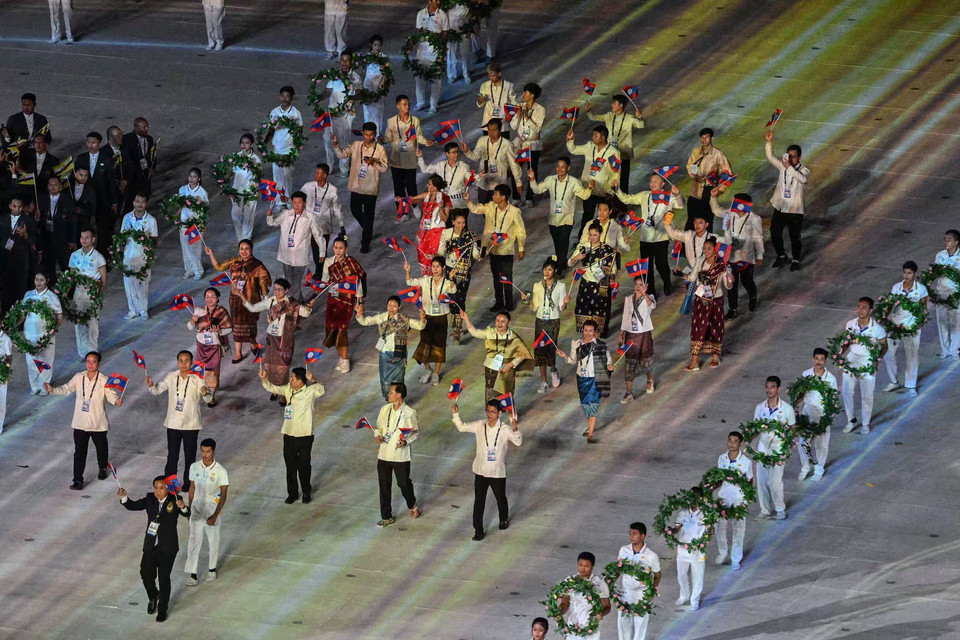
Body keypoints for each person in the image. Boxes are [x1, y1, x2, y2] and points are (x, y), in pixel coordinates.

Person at [117, 476, 189, 622]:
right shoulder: (150, 499)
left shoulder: (175, 499)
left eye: (161, 488)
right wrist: (124, 497)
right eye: (156, 487)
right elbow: (133, 505)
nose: (158, 491)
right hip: (151, 545)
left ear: (167, 489)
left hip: (167, 547)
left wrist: (183, 507)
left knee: (163, 578)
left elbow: (186, 513)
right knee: (145, 574)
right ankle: (154, 595)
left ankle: (162, 609)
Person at [46, 351, 121, 489]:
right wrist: (53, 390)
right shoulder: (79, 377)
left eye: (94, 361)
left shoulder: (104, 380)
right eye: (88, 361)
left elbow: (111, 395)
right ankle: (78, 480)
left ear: (98, 363)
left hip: (98, 423)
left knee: (101, 449)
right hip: (80, 423)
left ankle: (102, 468)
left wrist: (116, 401)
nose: (90, 364)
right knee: (79, 453)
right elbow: (67, 389)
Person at [452, 400, 521, 541]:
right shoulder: (480, 425)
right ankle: (478, 530)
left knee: (501, 498)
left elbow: (518, 442)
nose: (490, 414)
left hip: (496, 472)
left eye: (493, 412)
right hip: (480, 471)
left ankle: (503, 519)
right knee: (479, 502)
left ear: (499, 413)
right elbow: (462, 427)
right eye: (488, 411)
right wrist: (456, 414)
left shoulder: (504, 429)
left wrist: (515, 428)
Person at [238, 278, 314, 404]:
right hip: (272, 339)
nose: (277, 292)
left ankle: (283, 394)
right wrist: (242, 296)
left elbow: (305, 313)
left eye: (280, 289)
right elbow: (253, 308)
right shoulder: (271, 301)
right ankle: (274, 390)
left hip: (285, 339)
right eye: (275, 289)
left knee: (283, 368)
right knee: (270, 367)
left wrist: (309, 308)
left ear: (286, 290)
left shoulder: (292, 303)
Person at [146, 350, 214, 491]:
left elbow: (209, 399)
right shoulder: (171, 376)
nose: (183, 364)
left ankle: (188, 483)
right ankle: (170, 483)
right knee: (172, 455)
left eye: (186, 361)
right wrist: (151, 385)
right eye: (181, 361)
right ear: (177, 362)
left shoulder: (198, 378)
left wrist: (205, 392)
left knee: (189, 456)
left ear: (191, 362)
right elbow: (157, 390)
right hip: (173, 423)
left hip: (191, 424)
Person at [259, 366, 325, 503]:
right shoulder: (288, 389)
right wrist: (264, 379)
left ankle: (306, 492)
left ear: (300, 381)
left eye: (293, 378)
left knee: (304, 466)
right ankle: (292, 493)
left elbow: (321, 390)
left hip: (305, 435)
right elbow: (273, 388)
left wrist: (313, 380)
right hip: (289, 434)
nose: (290, 380)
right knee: (290, 466)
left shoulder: (310, 391)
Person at [612, 173, 684, 297]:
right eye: (651, 181)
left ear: (663, 184)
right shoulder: (645, 195)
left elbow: (681, 205)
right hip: (645, 238)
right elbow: (627, 199)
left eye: (656, 181)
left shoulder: (668, 197)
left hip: (661, 237)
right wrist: (617, 190)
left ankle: (667, 283)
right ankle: (650, 292)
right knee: (646, 267)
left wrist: (677, 194)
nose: (653, 183)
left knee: (661, 265)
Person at [205, 240, 271, 363]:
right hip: (235, 299)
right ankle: (238, 353)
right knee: (236, 325)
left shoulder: (258, 265)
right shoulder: (234, 261)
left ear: (251, 250)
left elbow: (263, 283)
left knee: (250, 324)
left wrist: (266, 300)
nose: (244, 251)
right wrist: (211, 254)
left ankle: (252, 342)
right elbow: (219, 267)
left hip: (251, 299)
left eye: (247, 249)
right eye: (241, 249)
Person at [463, 185, 525, 311]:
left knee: (506, 278)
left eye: (495, 194)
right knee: (496, 278)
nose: (493, 196)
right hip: (493, 249)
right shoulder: (490, 207)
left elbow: (520, 231)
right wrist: (468, 200)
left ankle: (509, 304)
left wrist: (521, 248)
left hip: (506, 250)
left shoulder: (514, 211)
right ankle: (499, 303)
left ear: (503, 197)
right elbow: (476, 209)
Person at [331, 123, 388, 253]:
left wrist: (374, 163)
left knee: (369, 215)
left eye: (371, 135)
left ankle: (365, 242)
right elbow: (342, 154)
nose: (368, 137)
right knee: (354, 209)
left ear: (375, 134)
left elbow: (384, 168)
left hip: (370, 187)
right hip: (356, 185)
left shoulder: (380, 149)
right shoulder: (356, 145)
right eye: (366, 134)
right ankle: (367, 228)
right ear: (362, 133)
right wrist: (336, 145)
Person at [356, 295, 427, 400]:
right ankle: (388, 398)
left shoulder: (404, 319)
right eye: (389, 305)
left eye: (394, 306)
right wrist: (359, 314)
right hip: (385, 354)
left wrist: (422, 319)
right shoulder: (381, 317)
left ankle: (398, 400)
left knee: (398, 380)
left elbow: (420, 326)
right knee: (385, 380)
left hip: (399, 355)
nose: (391, 308)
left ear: (399, 307)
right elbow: (365, 321)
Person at [556, 320, 613, 444]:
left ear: (595, 332)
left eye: (590, 331)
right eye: (586, 330)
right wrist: (564, 356)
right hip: (581, 379)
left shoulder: (600, 345)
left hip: (595, 378)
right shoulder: (576, 344)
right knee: (585, 404)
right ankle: (590, 426)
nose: (587, 333)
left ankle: (590, 434)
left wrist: (609, 366)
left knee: (594, 403)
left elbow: (608, 359)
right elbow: (573, 360)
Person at [529, 158, 590, 272]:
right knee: (557, 244)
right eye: (558, 166)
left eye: (562, 167)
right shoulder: (550, 180)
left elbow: (584, 195)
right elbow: (537, 190)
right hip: (553, 219)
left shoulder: (573, 182)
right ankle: (561, 263)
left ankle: (560, 269)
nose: (559, 169)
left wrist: (590, 188)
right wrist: (532, 178)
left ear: (568, 168)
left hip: (566, 219)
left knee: (563, 243)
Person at [681, 235, 733, 371]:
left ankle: (715, 357)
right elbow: (692, 278)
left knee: (716, 327)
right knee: (697, 328)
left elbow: (728, 286)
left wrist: (730, 280)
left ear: (715, 250)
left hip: (716, 300)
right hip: (701, 300)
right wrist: (681, 274)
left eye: (709, 248)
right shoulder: (700, 261)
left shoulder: (722, 266)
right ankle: (695, 361)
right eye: (704, 248)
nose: (706, 251)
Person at [374, 383, 420, 527]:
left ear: (399, 395)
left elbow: (415, 433)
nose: (388, 395)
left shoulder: (410, 412)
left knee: (403, 483)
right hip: (384, 454)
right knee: (384, 486)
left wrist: (405, 442)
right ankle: (386, 516)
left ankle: (411, 503)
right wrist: (378, 435)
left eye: (391, 392)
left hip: (400, 456)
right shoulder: (384, 409)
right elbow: (378, 427)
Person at [840, 297, 888, 435]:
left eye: (864, 307)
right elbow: (846, 342)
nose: (860, 310)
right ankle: (851, 420)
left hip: (868, 361)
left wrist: (877, 360)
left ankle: (865, 423)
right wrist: (840, 353)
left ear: (870, 310)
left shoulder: (877, 329)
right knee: (846, 392)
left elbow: (884, 346)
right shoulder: (850, 324)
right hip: (852, 359)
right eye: (859, 307)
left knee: (867, 395)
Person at [460, 309, 533, 401]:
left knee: (507, 396)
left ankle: (508, 410)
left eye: (503, 321)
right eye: (497, 320)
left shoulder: (513, 337)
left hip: (506, 370)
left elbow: (522, 353)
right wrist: (466, 319)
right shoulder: (490, 332)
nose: (499, 323)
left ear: (508, 323)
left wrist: (511, 364)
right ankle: (493, 410)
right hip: (491, 370)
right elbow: (475, 333)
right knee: (491, 396)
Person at [266, 190, 325, 302]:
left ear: (304, 203)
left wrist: (322, 251)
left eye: (299, 203)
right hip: (286, 255)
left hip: (300, 257)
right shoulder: (286, 214)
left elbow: (318, 235)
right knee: (289, 282)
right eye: (294, 202)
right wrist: (269, 216)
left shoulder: (310, 217)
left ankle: (295, 309)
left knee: (296, 283)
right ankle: (300, 302)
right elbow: (272, 223)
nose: (296, 205)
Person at [320, 234, 367, 373]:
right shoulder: (328, 262)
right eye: (335, 247)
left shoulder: (351, 263)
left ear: (345, 249)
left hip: (347, 300)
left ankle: (345, 360)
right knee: (332, 329)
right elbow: (324, 280)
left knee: (342, 329)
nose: (338, 250)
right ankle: (341, 357)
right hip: (333, 298)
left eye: (340, 248)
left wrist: (360, 302)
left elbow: (358, 285)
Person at [185, 438, 228, 586]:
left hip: (212, 509)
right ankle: (193, 574)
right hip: (196, 509)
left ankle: (212, 569)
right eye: (202, 451)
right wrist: (189, 509)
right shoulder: (194, 467)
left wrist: (215, 515)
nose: (204, 455)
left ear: (213, 452)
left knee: (213, 540)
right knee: (193, 541)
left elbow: (224, 495)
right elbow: (192, 488)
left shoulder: (221, 471)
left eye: (208, 452)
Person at [520, 257, 568, 393]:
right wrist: (526, 301)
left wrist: (565, 303)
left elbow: (562, 308)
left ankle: (553, 370)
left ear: (555, 271)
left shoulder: (561, 286)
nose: (547, 272)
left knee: (550, 349)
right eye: (545, 269)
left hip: (553, 321)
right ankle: (544, 381)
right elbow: (534, 307)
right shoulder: (537, 286)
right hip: (540, 320)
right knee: (540, 350)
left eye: (550, 270)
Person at [406, 257, 456, 385]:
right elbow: (410, 282)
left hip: (441, 318)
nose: (435, 269)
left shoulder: (446, 282)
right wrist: (408, 271)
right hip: (427, 317)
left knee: (439, 346)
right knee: (424, 346)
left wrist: (451, 278)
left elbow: (453, 290)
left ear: (443, 268)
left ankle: (436, 373)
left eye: (438, 266)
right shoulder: (425, 280)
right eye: (433, 266)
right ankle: (428, 369)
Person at [882, 261, 929, 398]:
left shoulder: (921, 289)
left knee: (911, 356)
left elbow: (923, 308)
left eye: (909, 273)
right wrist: (884, 317)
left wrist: (920, 322)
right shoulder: (896, 287)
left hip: (912, 326)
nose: (906, 275)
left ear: (914, 273)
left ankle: (911, 386)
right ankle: (894, 381)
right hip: (896, 324)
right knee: (888, 353)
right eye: (905, 272)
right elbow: (890, 304)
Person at [765, 130, 810, 271]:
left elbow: (802, 179)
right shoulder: (783, 166)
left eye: (793, 157)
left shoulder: (804, 170)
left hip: (795, 210)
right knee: (774, 233)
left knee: (794, 236)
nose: (790, 159)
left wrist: (788, 167)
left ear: (799, 157)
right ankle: (781, 255)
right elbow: (770, 157)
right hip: (781, 207)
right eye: (788, 156)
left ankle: (795, 259)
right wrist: (769, 142)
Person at [566, 125, 621, 239]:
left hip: (604, 192)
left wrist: (611, 191)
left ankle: (603, 240)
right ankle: (583, 239)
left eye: (595, 135)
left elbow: (615, 173)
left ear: (603, 137)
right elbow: (574, 150)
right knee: (587, 216)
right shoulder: (589, 146)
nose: (593, 137)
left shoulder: (613, 152)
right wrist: (570, 140)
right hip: (589, 189)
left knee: (604, 218)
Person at [754, 376, 796, 520]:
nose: (769, 390)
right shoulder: (760, 408)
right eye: (767, 387)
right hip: (763, 447)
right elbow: (755, 429)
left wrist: (786, 448)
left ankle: (780, 509)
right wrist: (746, 438)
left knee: (775, 481)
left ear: (778, 389)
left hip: (778, 448)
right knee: (761, 480)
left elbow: (792, 429)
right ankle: (765, 510)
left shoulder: (787, 409)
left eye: (772, 387)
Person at [436, 210, 481, 342]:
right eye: (458, 222)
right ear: (453, 222)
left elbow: (475, 254)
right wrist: (434, 256)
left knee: (460, 298)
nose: (461, 225)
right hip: (450, 269)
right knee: (451, 296)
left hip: (464, 270)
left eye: (463, 223)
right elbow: (440, 251)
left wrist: (480, 255)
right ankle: (455, 321)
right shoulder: (446, 233)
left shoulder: (469, 236)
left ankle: (458, 328)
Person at [585, 94, 645, 193]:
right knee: (608, 178)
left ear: (621, 105)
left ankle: (622, 201)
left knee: (623, 180)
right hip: (610, 154)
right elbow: (593, 117)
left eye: (614, 103)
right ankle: (609, 199)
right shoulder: (608, 116)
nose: (612, 105)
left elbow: (641, 125)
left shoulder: (629, 118)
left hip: (623, 154)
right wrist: (588, 111)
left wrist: (639, 118)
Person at [382, 95, 434, 207]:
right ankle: (402, 211)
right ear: (398, 106)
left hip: (410, 159)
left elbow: (418, 136)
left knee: (411, 186)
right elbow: (389, 138)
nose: (407, 106)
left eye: (408, 104)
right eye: (404, 104)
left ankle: (414, 206)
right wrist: (383, 139)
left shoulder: (415, 120)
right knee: (398, 187)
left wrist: (426, 142)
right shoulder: (391, 121)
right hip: (396, 160)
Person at [568, 222, 617, 336]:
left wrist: (612, 279)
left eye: (595, 235)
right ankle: (586, 335)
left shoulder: (607, 250)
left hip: (600, 284)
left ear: (600, 234)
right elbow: (569, 263)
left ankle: (597, 335)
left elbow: (612, 269)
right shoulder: (583, 247)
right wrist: (577, 257)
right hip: (586, 284)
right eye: (590, 235)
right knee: (584, 309)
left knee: (599, 311)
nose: (592, 237)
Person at [718, 192, 763, 318]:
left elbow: (758, 239)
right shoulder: (730, 214)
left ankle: (752, 296)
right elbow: (716, 211)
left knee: (746, 281)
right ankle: (733, 308)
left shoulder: (754, 219)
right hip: (731, 255)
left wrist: (759, 256)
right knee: (731, 283)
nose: (733, 204)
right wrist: (713, 197)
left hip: (746, 256)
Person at [797, 347, 838, 481]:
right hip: (807, 411)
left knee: (821, 444)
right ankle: (805, 467)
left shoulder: (830, 379)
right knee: (803, 441)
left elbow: (833, 400)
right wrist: (794, 405)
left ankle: (819, 469)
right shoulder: (806, 374)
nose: (818, 362)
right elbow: (801, 393)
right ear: (813, 359)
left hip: (822, 414)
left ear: (825, 361)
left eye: (821, 359)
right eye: (816, 358)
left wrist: (827, 417)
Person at [615, 523, 662, 640]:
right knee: (623, 623)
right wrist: (610, 582)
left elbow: (657, 575)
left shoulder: (651, 556)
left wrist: (651, 591)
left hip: (642, 594)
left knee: (640, 625)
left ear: (642, 536)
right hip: (626, 592)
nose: (631, 536)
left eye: (634, 534)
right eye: (630, 533)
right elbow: (618, 569)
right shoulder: (624, 550)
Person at [462, 118, 522, 207]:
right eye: (489, 130)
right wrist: (467, 151)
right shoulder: (482, 140)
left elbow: (514, 164)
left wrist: (518, 182)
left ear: (500, 130)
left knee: (497, 209)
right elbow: (475, 156)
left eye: (494, 130)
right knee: (483, 207)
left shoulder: (507, 144)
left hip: (499, 183)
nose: (491, 133)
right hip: (484, 181)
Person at [318, 52, 361, 175]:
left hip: (346, 115)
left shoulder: (356, 77)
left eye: (347, 60)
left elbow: (359, 94)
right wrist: (318, 98)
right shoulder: (334, 75)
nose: (344, 63)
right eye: (342, 60)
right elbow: (328, 91)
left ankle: (344, 168)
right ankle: (329, 165)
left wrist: (351, 97)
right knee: (327, 139)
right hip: (332, 114)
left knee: (344, 142)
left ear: (351, 62)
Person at [715, 431, 753, 569]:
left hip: (738, 497)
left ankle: (736, 558)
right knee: (719, 525)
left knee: (738, 527)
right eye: (730, 440)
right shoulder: (722, 458)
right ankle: (723, 552)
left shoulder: (746, 462)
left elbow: (749, 481)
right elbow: (718, 478)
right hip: (724, 495)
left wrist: (746, 500)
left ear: (740, 444)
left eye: (735, 441)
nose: (731, 444)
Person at [188, 288, 232, 405]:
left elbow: (229, 328)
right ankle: (202, 389)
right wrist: (193, 321)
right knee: (200, 370)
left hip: (214, 347)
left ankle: (211, 396)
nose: (209, 299)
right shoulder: (199, 311)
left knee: (213, 371)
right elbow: (189, 327)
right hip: (201, 346)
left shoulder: (222, 312)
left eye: (212, 297)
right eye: (207, 297)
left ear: (218, 298)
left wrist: (219, 331)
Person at [68, 228, 107, 358]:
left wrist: (98, 294)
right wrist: (65, 292)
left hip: (91, 294)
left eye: (87, 237)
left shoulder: (98, 257)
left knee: (92, 324)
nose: (84, 240)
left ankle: (92, 351)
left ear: (93, 239)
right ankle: (82, 353)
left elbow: (103, 278)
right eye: (82, 237)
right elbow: (70, 277)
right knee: (79, 324)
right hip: (78, 294)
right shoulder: (75, 255)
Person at [120, 193, 159, 320]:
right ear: (133, 202)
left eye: (143, 201)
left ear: (146, 204)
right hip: (128, 257)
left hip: (142, 258)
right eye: (138, 201)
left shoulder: (151, 220)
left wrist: (150, 254)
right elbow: (121, 237)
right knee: (129, 285)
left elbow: (154, 240)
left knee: (142, 285)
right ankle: (133, 310)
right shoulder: (127, 218)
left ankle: (143, 310)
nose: (140, 204)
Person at [22, 272, 63, 395]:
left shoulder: (52, 297)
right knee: (31, 361)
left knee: (44, 361)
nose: (38, 282)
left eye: (41, 280)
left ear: (47, 280)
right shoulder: (28, 295)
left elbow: (59, 317)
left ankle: (44, 386)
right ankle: (34, 387)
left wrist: (52, 331)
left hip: (44, 334)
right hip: (30, 333)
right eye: (36, 279)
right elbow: (22, 314)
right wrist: (13, 324)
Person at [684, 128, 732, 232]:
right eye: (702, 137)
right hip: (696, 189)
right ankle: (688, 241)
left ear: (712, 139)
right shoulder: (696, 151)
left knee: (707, 221)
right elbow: (691, 166)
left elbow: (727, 173)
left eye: (707, 137)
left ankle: (706, 241)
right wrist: (694, 175)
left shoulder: (718, 154)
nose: (704, 140)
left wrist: (719, 190)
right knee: (691, 220)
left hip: (709, 189)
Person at [301, 163, 344, 273]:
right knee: (315, 249)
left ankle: (320, 272)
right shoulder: (308, 186)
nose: (315, 175)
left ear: (325, 175)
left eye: (318, 173)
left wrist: (341, 225)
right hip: (311, 224)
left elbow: (336, 208)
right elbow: (298, 199)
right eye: (316, 172)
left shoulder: (332, 190)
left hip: (324, 225)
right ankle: (319, 271)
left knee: (322, 249)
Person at [669, 486, 706, 610]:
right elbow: (677, 528)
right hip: (683, 549)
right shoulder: (683, 512)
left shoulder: (706, 513)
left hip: (698, 551)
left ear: (701, 498)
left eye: (696, 497)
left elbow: (710, 531)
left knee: (698, 577)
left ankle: (694, 600)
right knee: (681, 575)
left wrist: (705, 538)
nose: (693, 500)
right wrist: (670, 531)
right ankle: (684, 595)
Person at [618, 277, 656, 402]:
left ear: (646, 286)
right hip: (631, 334)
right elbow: (625, 317)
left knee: (646, 359)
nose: (638, 287)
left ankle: (650, 380)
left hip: (644, 333)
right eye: (636, 284)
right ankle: (629, 392)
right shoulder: (628, 299)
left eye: (641, 285)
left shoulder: (649, 297)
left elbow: (652, 306)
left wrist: (645, 294)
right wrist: (621, 333)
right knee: (630, 362)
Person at [81, 132, 119, 254]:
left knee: (103, 228)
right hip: (85, 200)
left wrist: (114, 202)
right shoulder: (81, 158)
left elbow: (112, 182)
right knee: (84, 226)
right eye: (89, 142)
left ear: (99, 143)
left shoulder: (107, 159)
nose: (91, 145)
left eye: (94, 142)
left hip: (102, 199)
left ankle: (103, 253)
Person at [558, 552, 611, 638]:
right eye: (580, 565)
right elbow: (565, 603)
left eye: (586, 566)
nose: (582, 569)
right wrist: (558, 613)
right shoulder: (570, 581)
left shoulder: (599, 584)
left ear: (592, 566)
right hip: (572, 627)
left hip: (591, 629)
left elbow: (607, 606)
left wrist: (601, 613)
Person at [0, 196, 39, 312]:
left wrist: (26, 235)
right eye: (14, 206)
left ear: (23, 207)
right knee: (5, 288)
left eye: (19, 207)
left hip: (22, 259)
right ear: (10, 206)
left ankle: (21, 315)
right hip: (5, 258)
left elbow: (36, 240)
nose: (17, 209)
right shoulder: (2, 219)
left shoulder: (29, 220)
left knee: (21, 287)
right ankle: (6, 316)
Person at [36, 174, 78, 280]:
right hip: (47, 239)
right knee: (49, 267)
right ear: (47, 186)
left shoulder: (67, 199)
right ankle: (51, 286)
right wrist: (36, 217)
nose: (53, 187)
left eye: (55, 185)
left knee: (65, 266)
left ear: (60, 186)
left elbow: (73, 221)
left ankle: (68, 287)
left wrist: (72, 240)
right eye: (50, 185)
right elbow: (37, 222)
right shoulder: (41, 199)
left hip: (63, 239)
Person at [417, 143, 472, 219]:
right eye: (453, 152)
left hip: (459, 205)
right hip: (444, 205)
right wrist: (420, 157)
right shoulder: (440, 166)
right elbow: (425, 169)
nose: (456, 154)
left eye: (457, 152)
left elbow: (472, 179)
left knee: (460, 226)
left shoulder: (464, 166)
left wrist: (479, 177)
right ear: (447, 154)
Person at [410, 175, 451, 275]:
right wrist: (403, 200)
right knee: (423, 255)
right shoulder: (427, 195)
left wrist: (440, 208)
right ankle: (426, 279)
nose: (428, 186)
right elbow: (412, 200)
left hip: (436, 232)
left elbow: (445, 219)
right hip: (425, 231)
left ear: (435, 187)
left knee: (434, 258)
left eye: (429, 184)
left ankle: (436, 280)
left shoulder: (444, 199)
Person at [267, 86, 303, 202]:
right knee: (277, 176)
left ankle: (287, 199)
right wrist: (264, 143)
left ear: (292, 98)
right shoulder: (274, 112)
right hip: (277, 149)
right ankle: (278, 202)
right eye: (282, 96)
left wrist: (297, 145)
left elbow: (300, 130)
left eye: (287, 96)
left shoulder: (296, 113)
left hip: (289, 149)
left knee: (288, 176)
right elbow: (271, 130)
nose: (284, 98)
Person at [512, 83, 546, 202]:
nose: (523, 95)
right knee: (515, 169)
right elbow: (513, 126)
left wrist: (527, 118)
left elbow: (537, 129)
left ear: (532, 95)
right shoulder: (520, 106)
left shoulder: (540, 110)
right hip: (520, 143)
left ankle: (529, 197)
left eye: (525, 92)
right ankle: (516, 197)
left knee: (532, 170)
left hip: (532, 144)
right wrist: (518, 115)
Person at [414, 0, 449, 114]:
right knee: (419, 77)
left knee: (435, 79)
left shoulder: (443, 15)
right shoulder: (421, 14)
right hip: (422, 50)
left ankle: (433, 104)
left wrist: (442, 53)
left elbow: (445, 35)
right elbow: (418, 32)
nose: (438, 2)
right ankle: (420, 102)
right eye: (435, 0)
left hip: (436, 51)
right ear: (429, 1)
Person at [176, 167, 209, 281]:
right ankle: (189, 270)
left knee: (195, 247)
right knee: (185, 247)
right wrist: (176, 216)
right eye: (190, 176)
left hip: (196, 224)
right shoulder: (183, 189)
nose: (191, 179)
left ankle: (198, 270)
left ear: (199, 179)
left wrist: (201, 222)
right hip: (184, 222)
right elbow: (181, 205)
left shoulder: (202, 192)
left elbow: (205, 208)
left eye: (194, 177)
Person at [226, 133, 261, 242]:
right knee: (235, 216)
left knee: (248, 216)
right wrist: (229, 190)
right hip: (236, 191)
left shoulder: (256, 160)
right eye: (242, 143)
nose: (244, 145)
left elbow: (258, 178)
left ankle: (246, 239)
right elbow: (232, 174)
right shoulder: (236, 157)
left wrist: (254, 190)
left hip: (250, 192)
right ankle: (240, 238)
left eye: (247, 143)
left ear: (252, 144)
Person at [934, 229, 960, 359]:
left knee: (955, 323)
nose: (946, 242)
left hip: (956, 294)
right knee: (942, 322)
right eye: (945, 239)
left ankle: (954, 350)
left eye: (949, 240)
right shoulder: (940, 255)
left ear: (956, 242)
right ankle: (944, 350)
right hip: (941, 293)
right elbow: (934, 272)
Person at [120, 118, 156, 213]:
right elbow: (126, 159)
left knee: (144, 198)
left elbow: (152, 155)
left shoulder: (149, 139)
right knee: (130, 201)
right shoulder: (127, 139)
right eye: (144, 127)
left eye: (147, 126)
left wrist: (152, 167)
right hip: (133, 177)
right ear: (136, 127)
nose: (147, 129)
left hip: (145, 176)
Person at [476, 63, 516, 131]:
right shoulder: (484, 85)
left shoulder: (508, 86)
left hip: (502, 123)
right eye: (489, 75)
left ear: (499, 74)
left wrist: (510, 115)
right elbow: (480, 104)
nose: (491, 78)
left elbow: (514, 102)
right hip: (488, 122)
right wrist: (480, 100)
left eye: (493, 75)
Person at [361, 35, 389, 133]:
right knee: (367, 109)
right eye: (375, 45)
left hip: (379, 86)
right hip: (368, 85)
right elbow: (364, 72)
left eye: (379, 45)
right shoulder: (367, 57)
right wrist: (361, 85)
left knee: (378, 111)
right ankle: (368, 132)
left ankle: (377, 134)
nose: (377, 47)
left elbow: (386, 74)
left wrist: (383, 87)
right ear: (371, 45)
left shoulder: (384, 58)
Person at [445, 3, 470, 84]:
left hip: (464, 32)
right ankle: (451, 75)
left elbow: (470, 18)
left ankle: (466, 74)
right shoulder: (447, 5)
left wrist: (469, 30)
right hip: (451, 33)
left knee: (465, 54)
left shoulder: (465, 5)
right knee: (451, 55)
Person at [0, 328, 11, 433]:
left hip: (1, 373)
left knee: (1, 400)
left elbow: (9, 357)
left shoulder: (5, 339)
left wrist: (6, 372)